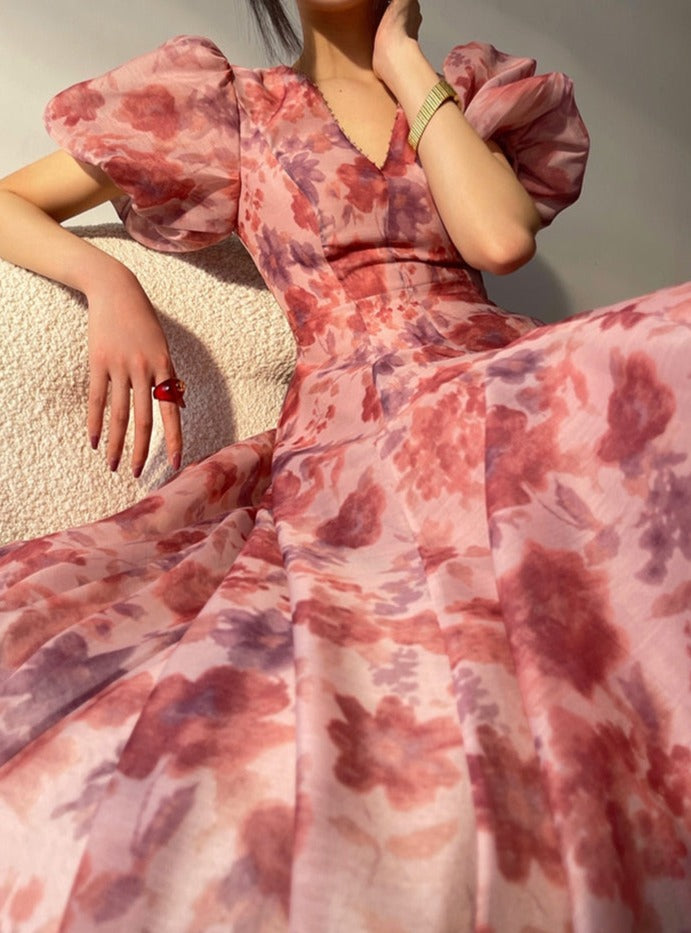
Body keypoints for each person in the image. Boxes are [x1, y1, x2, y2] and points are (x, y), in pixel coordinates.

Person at [0, 0, 688, 929]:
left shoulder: (466, 91)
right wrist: (108, 282)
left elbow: (498, 240)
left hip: (496, 382)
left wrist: (403, 59)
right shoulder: (229, 107)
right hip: (352, 425)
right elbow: (6, 200)